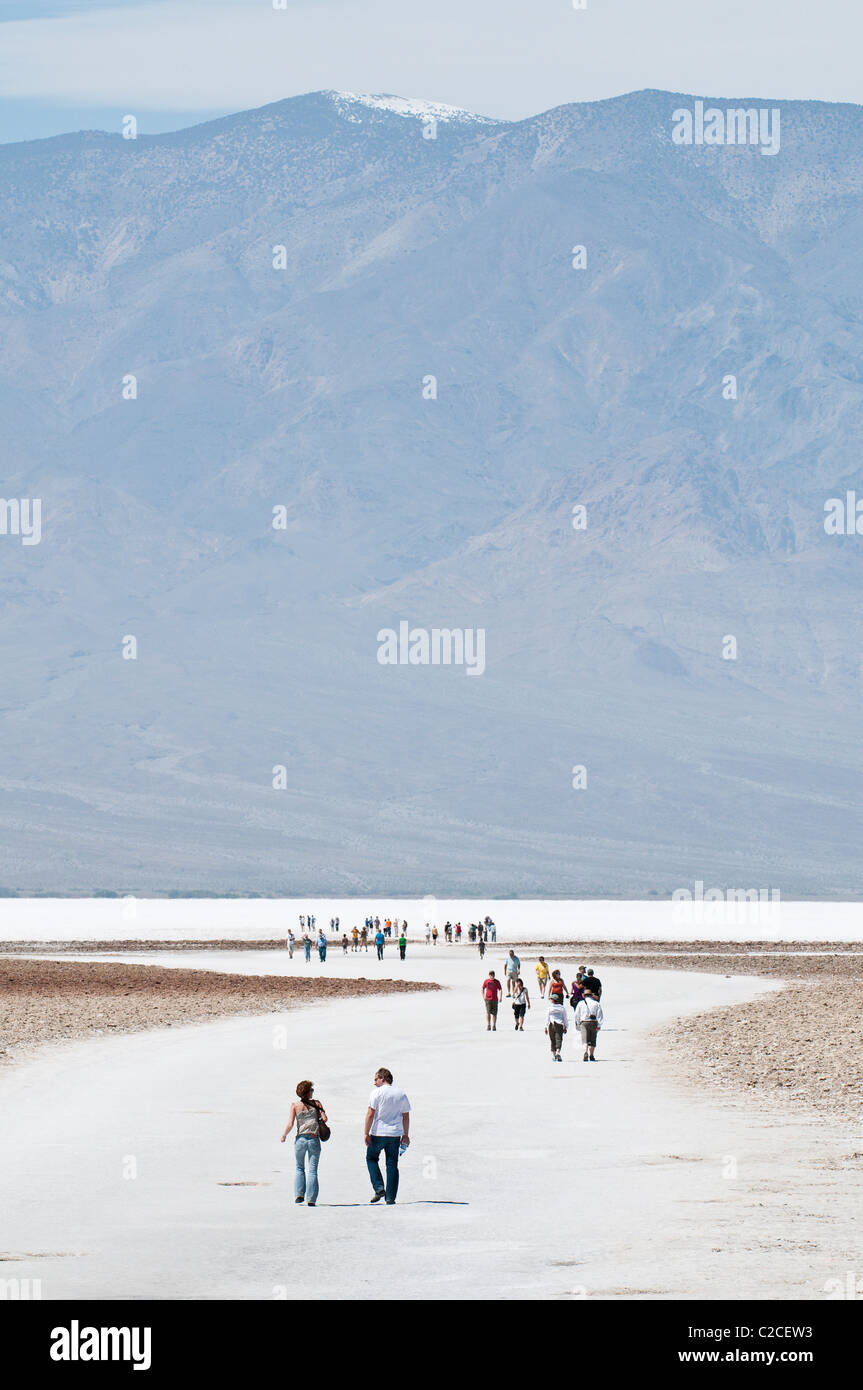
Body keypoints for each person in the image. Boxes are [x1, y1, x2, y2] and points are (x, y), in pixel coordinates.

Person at [364, 1067, 410, 1205]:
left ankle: (379, 1188)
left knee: (371, 1158)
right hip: (394, 1134)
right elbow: (405, 1115)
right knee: (392, 1165)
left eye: (376, 1079)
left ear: (383, 1078)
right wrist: (405, 1134)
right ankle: (390, 1197)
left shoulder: (376, 1093)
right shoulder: (400, 1093)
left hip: (378, 1133)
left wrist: (366, 1132)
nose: (374, 1082)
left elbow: (370, 1114)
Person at [281, 1080, 327, 1207]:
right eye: (311, 1090)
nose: (312, 1092)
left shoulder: (295, 1106)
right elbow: (325, 1118)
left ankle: (299, 1195)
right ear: (307, 1092)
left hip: (300, 1139)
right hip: (313, 1138)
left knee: (299, 1167)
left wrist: (284, 1135)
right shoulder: (316, 1103)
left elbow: (290, 1124)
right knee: (312, 1170)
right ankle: (311, 1199)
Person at [575, 992, 604, 1061]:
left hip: (584, 1022)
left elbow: (576, 1014)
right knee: (593, 1039)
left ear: (584, 995)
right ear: (592, 995)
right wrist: (599, 1024)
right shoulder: (596, 1003)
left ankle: (585, 1052)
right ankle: (591, 1055)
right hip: (594, 1022)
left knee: (585, 1039)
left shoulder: (580, 1003)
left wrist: (578, 1022)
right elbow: (600, 1015)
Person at [545, 995, 568, 1062]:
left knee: (552, 1040)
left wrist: (545, 1027)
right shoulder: (562, 1008)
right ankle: (558, 1053)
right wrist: (565, 1026)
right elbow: (565, 1018)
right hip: (559, 1024)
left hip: (551, 1024)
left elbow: (547, 1018)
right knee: (559, 1039)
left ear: (553, 1000)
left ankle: (554, 1055)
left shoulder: (549, 1008)